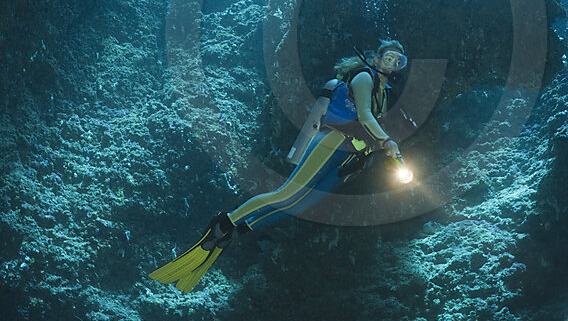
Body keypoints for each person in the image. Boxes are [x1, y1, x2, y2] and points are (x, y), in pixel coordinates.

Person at [148, 40, 408, 293]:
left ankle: (240, 229)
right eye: (389, 58)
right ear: (376, 59)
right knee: (287, 193)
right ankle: (224, 223)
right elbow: (363, 115)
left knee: (302, 205)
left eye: (399, 61)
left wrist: (385, 148)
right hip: (332, 141)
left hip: (348, 157)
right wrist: (387, 141)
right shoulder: (364, 78)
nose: (393, 64)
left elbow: (372, 129)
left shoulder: (383, 94)